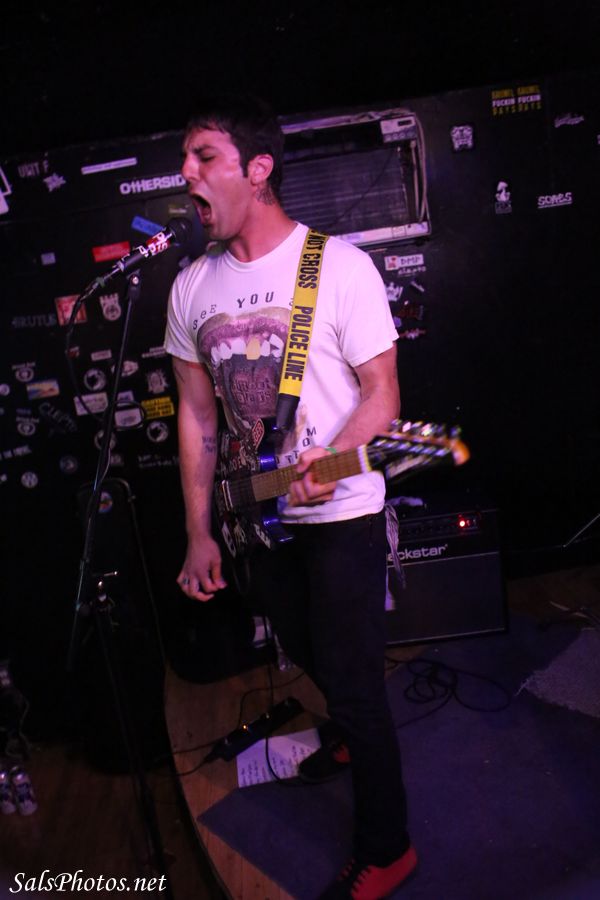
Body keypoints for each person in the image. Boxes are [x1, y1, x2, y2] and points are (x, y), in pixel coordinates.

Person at [164, 94, 417, 899]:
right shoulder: (189, 287)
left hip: (340, 515)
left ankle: (389, 848)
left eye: (204, 156)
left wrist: (334, 456)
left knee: (355, 680)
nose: (186, 173)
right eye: (185, 158)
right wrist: (199, 531)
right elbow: (198, 418)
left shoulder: (337, 267)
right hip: (258, 518)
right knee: (309, 653)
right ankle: (344, 727)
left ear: (258, 170)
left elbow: (384, 395)